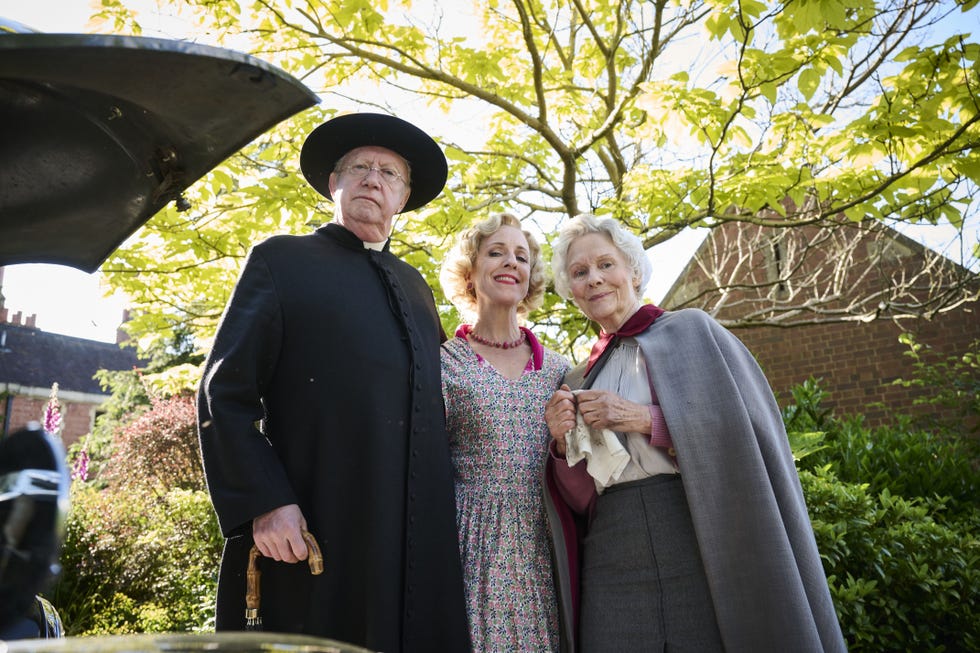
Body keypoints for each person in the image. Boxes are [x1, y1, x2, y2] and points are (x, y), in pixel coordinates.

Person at [197, 113, 470, 652]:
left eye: (390, 173)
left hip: (413, 540)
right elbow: (222, 395)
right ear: (334, 184)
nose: (374, 179)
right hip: (317, 524)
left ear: (404, 196)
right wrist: (265, 502)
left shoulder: (418, 290)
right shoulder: (281, 261)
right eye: (361, 168)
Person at [542, 213, 847, 652]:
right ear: (571, 290)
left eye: (605, 264)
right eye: (579, 272)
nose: (594, 279)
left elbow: (741, 435)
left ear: (632, 269)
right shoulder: (576, 377)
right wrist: (558, 443)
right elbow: (579, 497)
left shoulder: (692, 332)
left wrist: (644, 419)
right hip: (613, 545)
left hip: (699, 532)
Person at [439, 212, 569, 652]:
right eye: (496, 252)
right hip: (469, 545)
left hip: (543, 542)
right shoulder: (443, 363)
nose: (511, 263)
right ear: (470, 273)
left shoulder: (559, 370)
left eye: (521, 256)